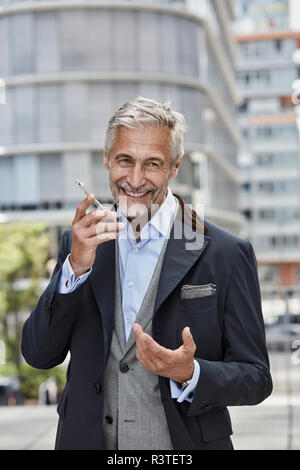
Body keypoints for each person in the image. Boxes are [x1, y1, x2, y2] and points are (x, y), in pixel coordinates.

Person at [21, 97, 272, 450]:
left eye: (152, 164)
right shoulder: (79, 243)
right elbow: (38, 354)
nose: (135, 180)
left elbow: (257, 378)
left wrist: (191, 373)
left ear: (175, 167)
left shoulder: (226, 253)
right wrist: (74, 268)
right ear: (107, 160)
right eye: (125, 160)